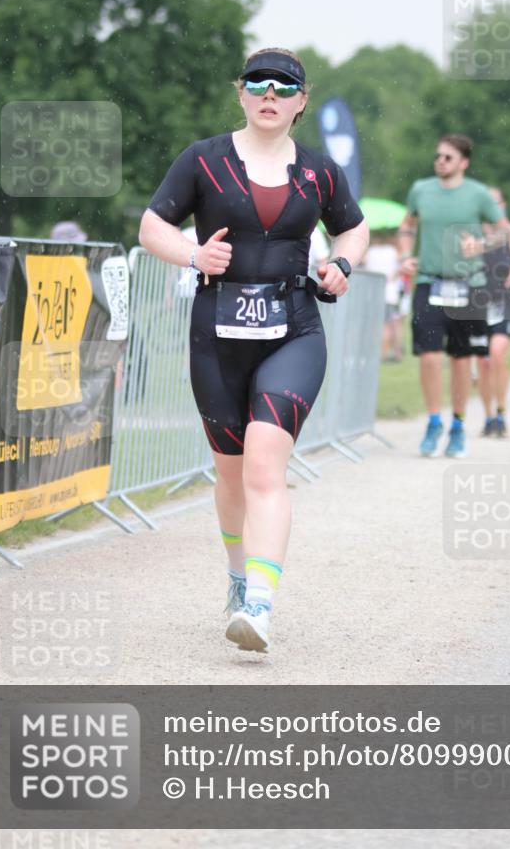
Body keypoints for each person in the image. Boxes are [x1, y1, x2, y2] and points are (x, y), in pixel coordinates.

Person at [139, 48, 369, 654]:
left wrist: (341, 262)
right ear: (241, 94)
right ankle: (239, 579)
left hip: (294, 328)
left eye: (284, 86)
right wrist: (191, 255)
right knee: (232, 471)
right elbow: (152, 225)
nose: (270, 94)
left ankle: (260, 608)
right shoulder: (204, 160)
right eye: (258, 84)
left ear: (300, 101)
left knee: (267, 464)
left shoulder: (319, 172)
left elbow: (354, 225)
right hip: (216, 331)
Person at [398, 135, 509, 459]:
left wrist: (483, 245)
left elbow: (505, 231)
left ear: (463, 162)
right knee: (429, 356)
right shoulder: (421, 189)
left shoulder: (478, 195)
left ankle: (458, 425)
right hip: (429, 282)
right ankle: (434, 421)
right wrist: (405, 253)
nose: (440, 161)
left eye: (448, 157)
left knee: (461, 360)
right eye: (438, 156)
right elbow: (407, 225)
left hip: (468, 285)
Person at [476, 187, 510, 437]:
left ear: (503, 204)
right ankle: (488, 417)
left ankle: (501, 413)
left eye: (496, 202)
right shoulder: (474, 230)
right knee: (484, 362)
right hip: (478, 301)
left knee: (497, 354)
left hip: (504, 300)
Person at [364, 231, 403, 362]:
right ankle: (391, 353)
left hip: (374, 293)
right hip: (391, 293)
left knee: (379, 325)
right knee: (391, 324)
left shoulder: (371, 252)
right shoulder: (392, 251)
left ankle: (381, 354)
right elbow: (399, 269)